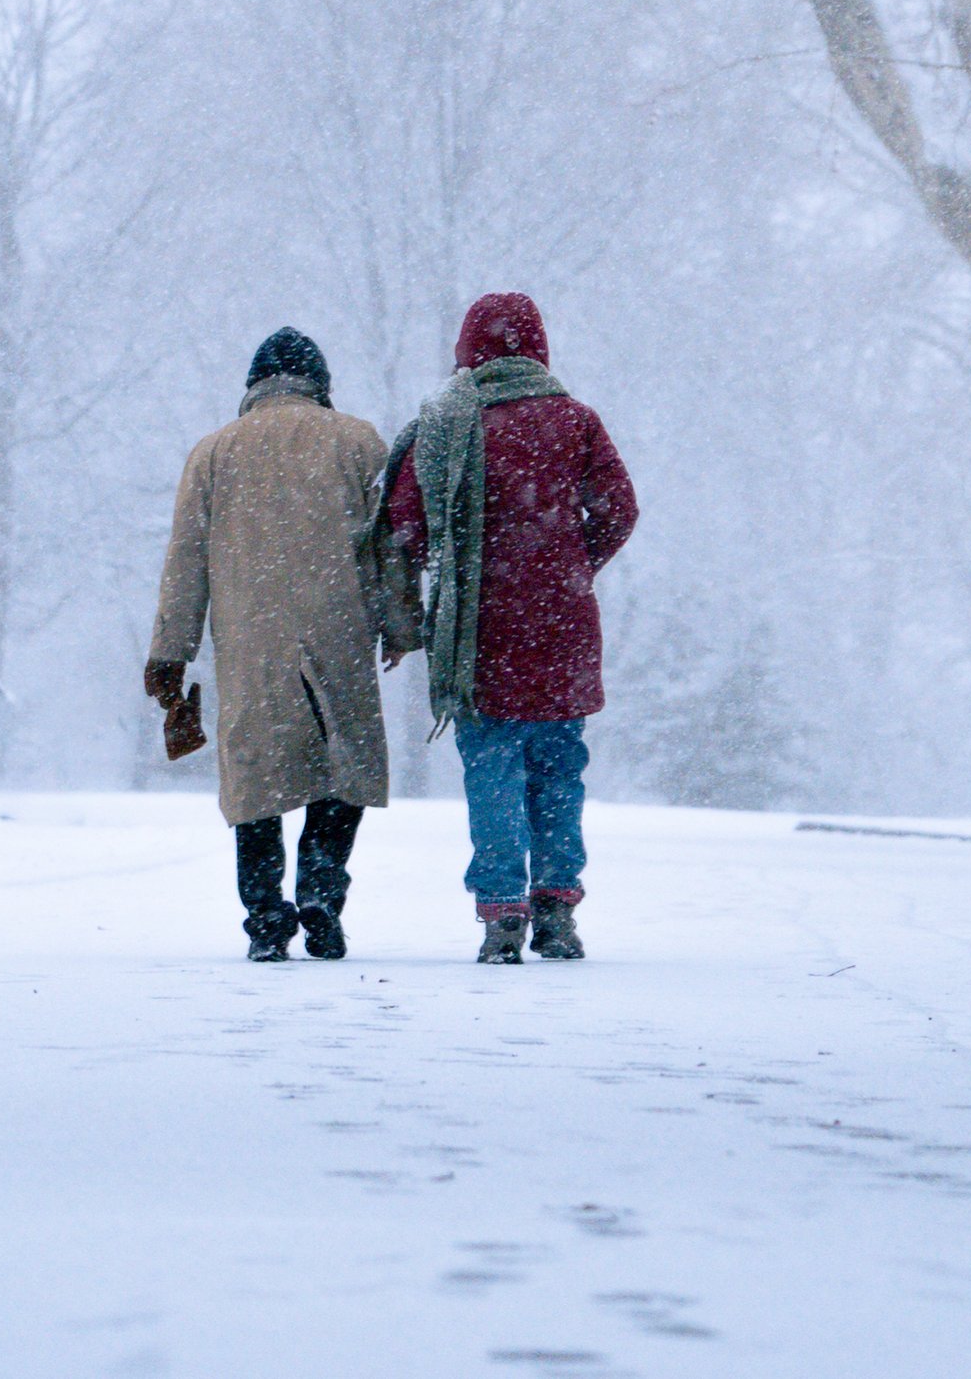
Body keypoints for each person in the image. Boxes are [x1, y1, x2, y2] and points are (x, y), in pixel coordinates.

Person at [145, 325, 418, 960]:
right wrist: (402, 626)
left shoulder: (215, 452)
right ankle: (322, 888)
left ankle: (267, 917)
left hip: (250, 639)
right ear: (320, 385)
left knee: (255, 779)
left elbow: (186, 561)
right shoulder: (358, 441)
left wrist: (171, 652)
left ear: (253, 386)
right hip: (338, 626)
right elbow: (391, 546)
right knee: (341, 762)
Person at [383, 289, 638, 965]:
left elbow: (405, 519)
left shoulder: (448, 425)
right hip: (563, 628)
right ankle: (557, 907)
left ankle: (502, 915)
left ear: (468, 350)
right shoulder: (576, 420)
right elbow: (619, 508)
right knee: (559, 770)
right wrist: (572, 563)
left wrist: (455, 565)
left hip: (482, 633)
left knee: (492, 770)